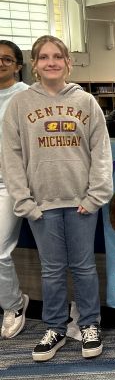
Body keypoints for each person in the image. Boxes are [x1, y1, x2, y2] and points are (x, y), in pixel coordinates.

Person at [1, 35, 113, 361]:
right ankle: (55, 328)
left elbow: (100, 152)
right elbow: (11, 155)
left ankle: (90, 324)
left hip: (81, 201)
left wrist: (96, 196)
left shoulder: (86, 102)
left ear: (68, 62)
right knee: (51, 269)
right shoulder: (20, 105)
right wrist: (24, 201)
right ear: (34, 65)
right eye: (44, 57)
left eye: (57, 56)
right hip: (41, 204)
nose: (51, 62)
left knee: (83, 267)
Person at [0, 40, 29, 339]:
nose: (1, 63)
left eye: (6, 59)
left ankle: (14, 305)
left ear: (18, 65)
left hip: (11, 181)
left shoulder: (26, 95)